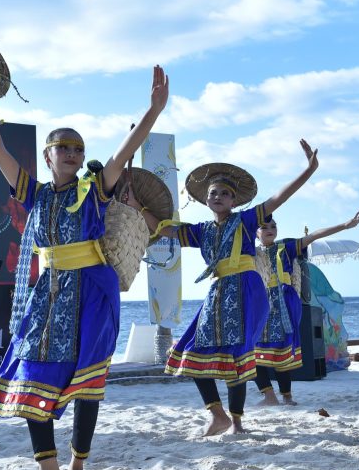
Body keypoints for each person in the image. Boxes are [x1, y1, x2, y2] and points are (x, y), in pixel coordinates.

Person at [0, 65, 169, 470]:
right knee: (34, 372)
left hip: (91, 292)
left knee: (88, 381)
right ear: (47, 156)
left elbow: (123, 153)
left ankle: (78, 466)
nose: (72, 153)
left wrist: (153, 111)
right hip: (48, 295)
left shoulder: (94, 190)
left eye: (78, 148)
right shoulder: (33, 193)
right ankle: (48, 469)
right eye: (63, 146)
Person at [129, 140, 319, 434]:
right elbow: (164, 229)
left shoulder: (246, 220)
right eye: (213, 193)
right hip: (218, 292)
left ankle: (237, 422)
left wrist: (308, 170)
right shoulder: (201, 230)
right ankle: (218, 415)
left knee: (237, 354)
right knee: (191, 353)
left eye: (224, 193)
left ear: (234, 201)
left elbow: (278, 198)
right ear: (206, 200)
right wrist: (136, 206)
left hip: (247, 289)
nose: (218, 196)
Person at [253, 210, 359, 405]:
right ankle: (269, 396)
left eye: (273, 226)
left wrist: (345, 225)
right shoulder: (250, 253)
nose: (270, 229)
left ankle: (287, 397)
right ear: (255, 233)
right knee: (252, 355)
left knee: (282, 354)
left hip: (283, 306)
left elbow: (313, 236)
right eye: (264, 227)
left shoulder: (286, 248)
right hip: (260, 306)